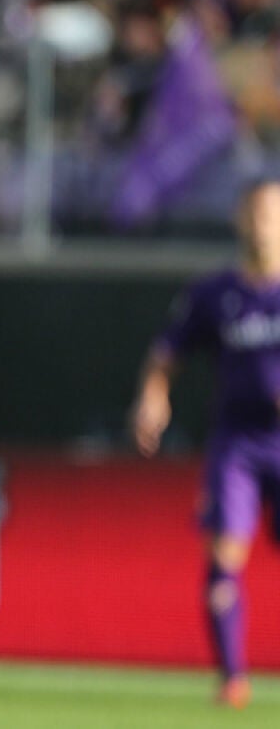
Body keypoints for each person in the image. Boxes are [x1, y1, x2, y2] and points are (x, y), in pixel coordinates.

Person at [132, 176, 280, 711]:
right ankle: (233, 677)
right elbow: (166, 353)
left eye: (272, 215)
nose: (262, 225)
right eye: (255, 214)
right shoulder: (214, 294)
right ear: (240, 220)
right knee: (223, 555)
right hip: (237, 444)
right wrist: (153, 397)